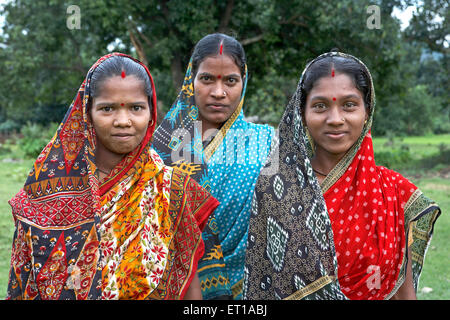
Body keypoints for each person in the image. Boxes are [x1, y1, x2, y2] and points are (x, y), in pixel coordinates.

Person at [6, 53, 219, 300]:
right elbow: (23, 284)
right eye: (107, 109)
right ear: (88, 114)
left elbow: (189, 285)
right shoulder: (45, 194)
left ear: (151, 113)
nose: (123, 121)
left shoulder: (174, 191)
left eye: (136, 108)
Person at [243, 52, 440, 300]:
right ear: (301, 113)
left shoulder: (394, 193)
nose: (335, 119)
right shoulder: (277, 189)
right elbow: (264, 285)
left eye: (349, 105)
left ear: (367, 111)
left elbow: (404, 293)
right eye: (320, 106)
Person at [152, 33, 275, 299]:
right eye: (207, 78)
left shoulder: (268, 142)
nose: (219, 92)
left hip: (252, 291)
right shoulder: (163, 148)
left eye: (231, 80)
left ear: (243, 83)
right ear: (191, 81)